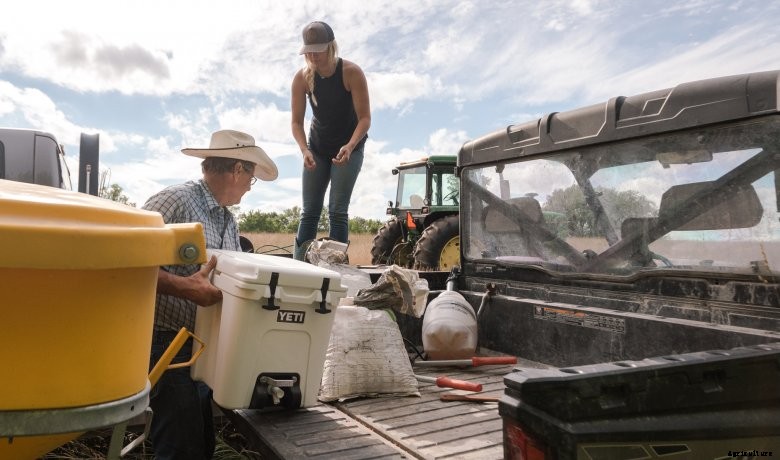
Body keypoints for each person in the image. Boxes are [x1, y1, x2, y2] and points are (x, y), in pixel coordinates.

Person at [142, 129, 277, 460]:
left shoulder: (227, 220)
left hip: (201, 345)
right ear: (236, 169)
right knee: (180, 447)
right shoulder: (174, 201)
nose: (249, 186)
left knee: (200, 443)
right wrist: (186, 287)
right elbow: (127, 265)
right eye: (250, 177)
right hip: (165, 342)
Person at [291, 20, 371, 260]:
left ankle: (336, 269)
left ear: (331, 46)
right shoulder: (302, 78)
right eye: (309, 51)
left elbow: (365, 119)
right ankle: (298, 267)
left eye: (318, 50)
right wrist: (304, 150)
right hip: (317, 148)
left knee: (337, 210)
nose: (313, 56)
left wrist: (350, 145)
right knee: (310, 212)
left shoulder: (351, 72)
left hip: (349, 148)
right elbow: (296, 122)